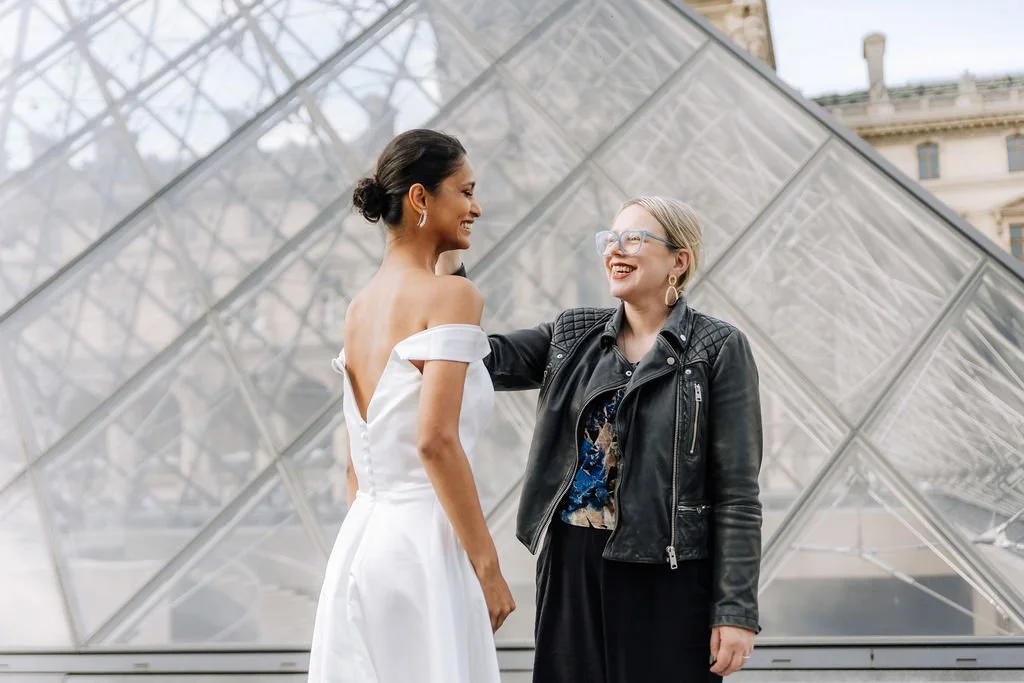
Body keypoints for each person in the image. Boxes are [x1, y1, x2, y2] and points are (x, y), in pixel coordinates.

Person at [440, 196, 763, 682]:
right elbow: (476, 357)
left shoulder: (717, 348)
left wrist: (735, 611)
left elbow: (738, 494)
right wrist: (447, 263)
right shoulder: (573, 335)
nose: (615, 249)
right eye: (609, 239)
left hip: (668, 573)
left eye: (633, 238)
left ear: (679, 261)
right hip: (571, 564)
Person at [308, 129, 515, 683]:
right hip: (426, 543)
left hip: (363, 541)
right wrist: (487, 565)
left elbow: (358, 460)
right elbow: (436, 440)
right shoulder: (452, 298)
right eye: (465, 191)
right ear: (421, 199)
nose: (477, 207)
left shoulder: (360, 307)